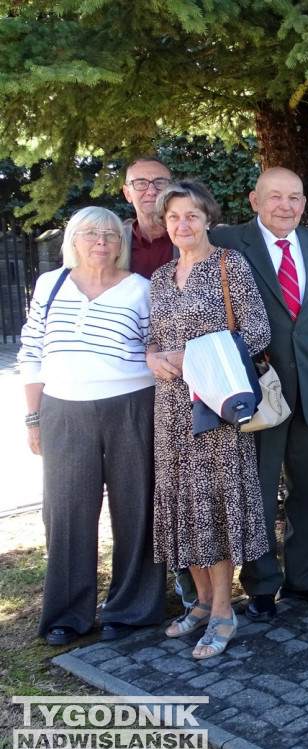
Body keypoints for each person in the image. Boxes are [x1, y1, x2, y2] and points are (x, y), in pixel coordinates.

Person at [18, 207, 166, 646]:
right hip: (63, 408)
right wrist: (33, 417)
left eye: (110, 234)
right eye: (90, 233)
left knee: (136, 506)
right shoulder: (51, 284)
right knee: (65, 510)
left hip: (132, 406)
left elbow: (153, 348)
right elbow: (31, 351)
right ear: (72, 241)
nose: (101, 241)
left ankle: (132, 608)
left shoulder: (141, 289)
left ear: (121, 245)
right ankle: (68, 613)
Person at [209, 168, 308, 622]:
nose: (284, 206)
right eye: (274, 197)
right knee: (260, 492)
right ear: (254, 199)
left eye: (294, 197)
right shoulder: (227, 242)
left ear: (305, 204)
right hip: (258, 392)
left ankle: (304, 578)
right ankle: (262, 586)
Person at [147, 181, 271, 659]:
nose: (183, 224)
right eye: (174, 217)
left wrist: (188, 355)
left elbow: (257, 333)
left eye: (192, 216)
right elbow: (153, 336)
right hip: (169, 411)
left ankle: (223, 611)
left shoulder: (228, 265)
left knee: (212, 510)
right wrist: (153, 356)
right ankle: (199, 603)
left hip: (214, 409)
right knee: (183, 507)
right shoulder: (159, 278)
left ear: (207, 220)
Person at [122, 156, 174, 279]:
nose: (151, 191)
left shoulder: (192, 238)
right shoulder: (115, 243)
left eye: (159, 183)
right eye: (140, 183)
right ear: (127, 193)